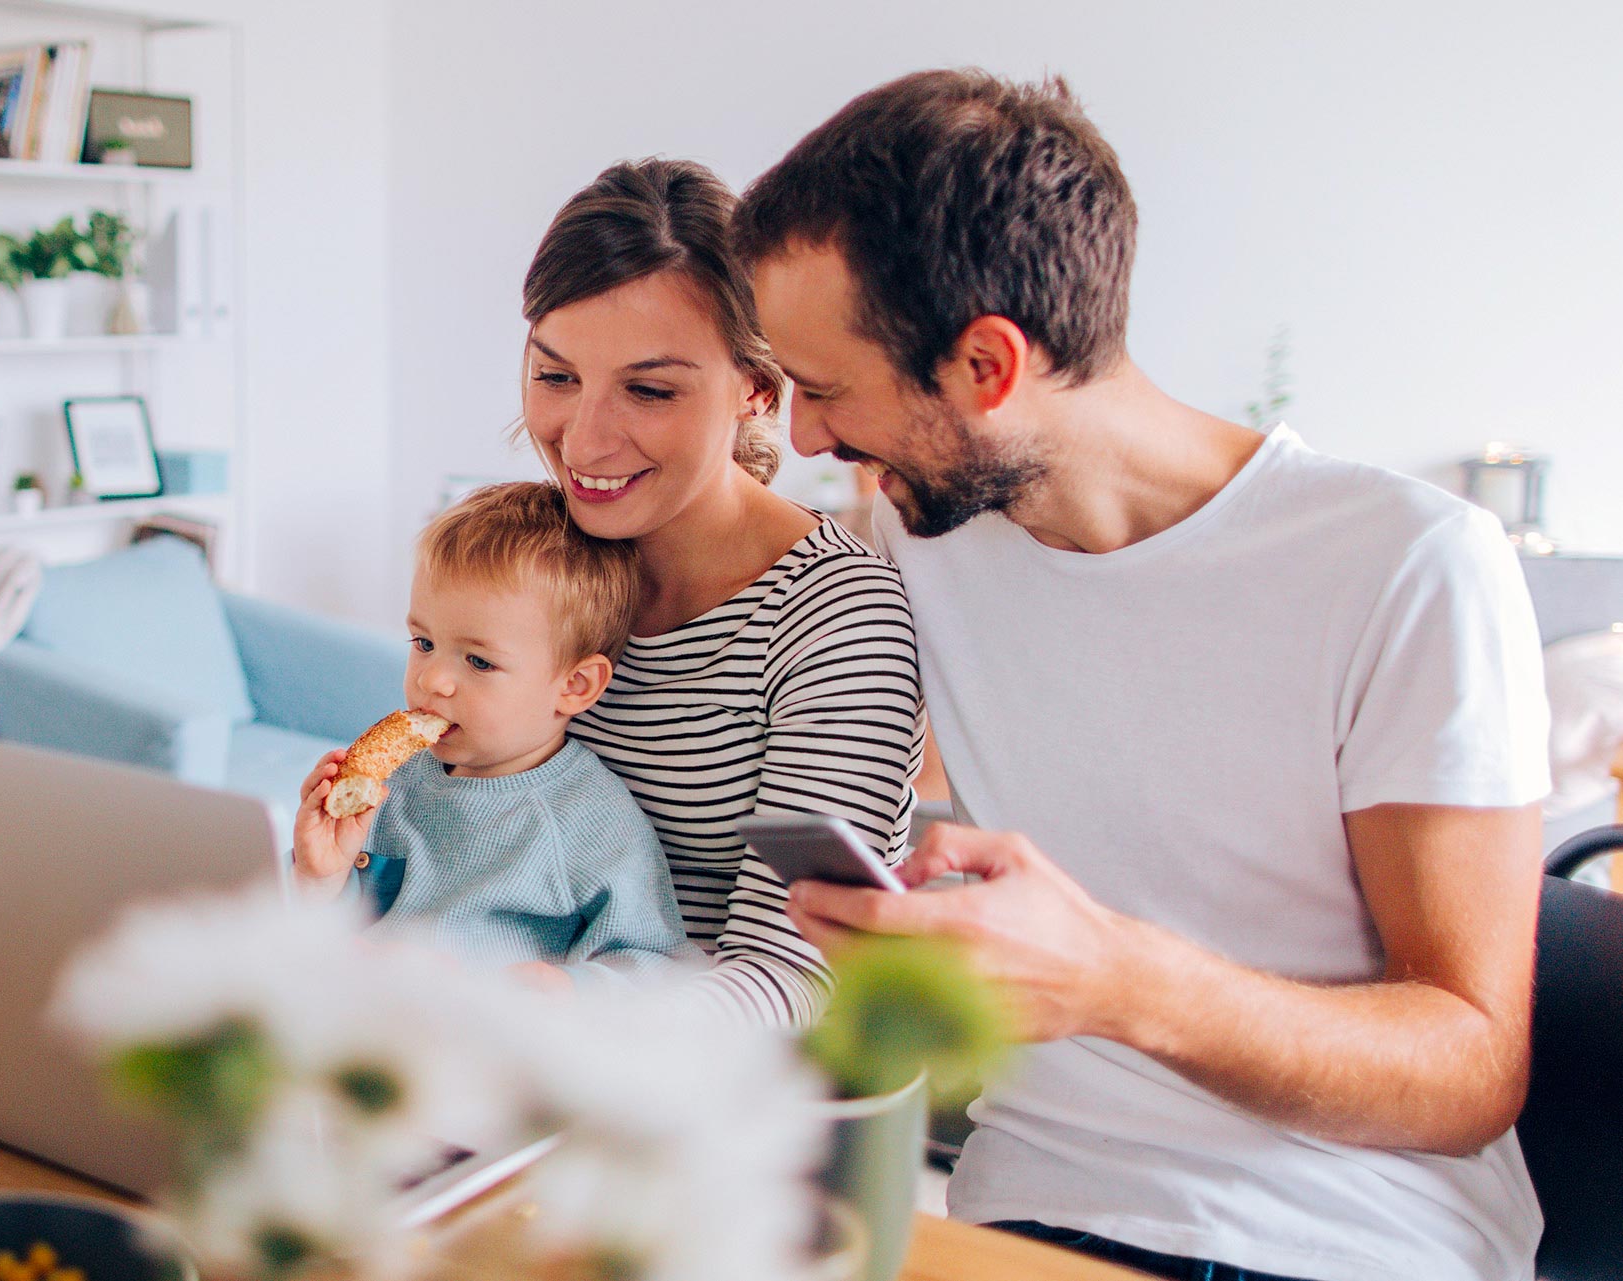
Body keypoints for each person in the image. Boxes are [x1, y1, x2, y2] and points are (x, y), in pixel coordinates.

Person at [746, 70, 1549, 1281]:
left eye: (827, 390)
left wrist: (1113, 978)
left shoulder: (1406, 565)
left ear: (985, 366)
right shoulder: (919, 542)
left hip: (1339, 1236)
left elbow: (1470, 1071)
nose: (805, 437)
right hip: (1021, 1220)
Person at [523, 159, 925, 1026]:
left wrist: (567, 1014)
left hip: (704, 1098)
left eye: (649, 389)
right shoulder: (529, 559)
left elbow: (792, 976)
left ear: (756, 389)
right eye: (556, 377)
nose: (583, 441)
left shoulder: (836, 618)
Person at [291, 482, 689, 987]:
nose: (432, 679)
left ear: (574, 685)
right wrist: (320, 877)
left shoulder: (589, 819)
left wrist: (565, 990)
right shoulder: (395, 782)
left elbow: (654, 967)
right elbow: (316, 936)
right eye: (424, 642)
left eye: (479, 661)